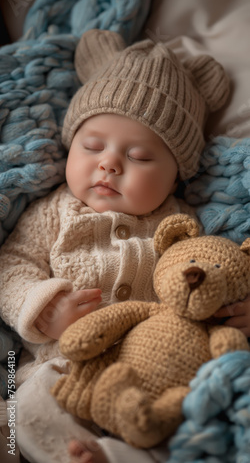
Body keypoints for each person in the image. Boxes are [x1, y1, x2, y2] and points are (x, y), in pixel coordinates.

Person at [0, 29, 230, 463]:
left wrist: (230, 308)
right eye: (92, 146)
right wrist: (43, 307)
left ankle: (109, 455)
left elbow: (205, 281)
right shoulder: (56, 211)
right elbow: (9, 265)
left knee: (178, 424)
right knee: (25, 405)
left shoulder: (181, 222)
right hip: (64, 366)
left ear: (176, 176)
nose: (109, 163)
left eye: (140, 157)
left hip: (146, 377)